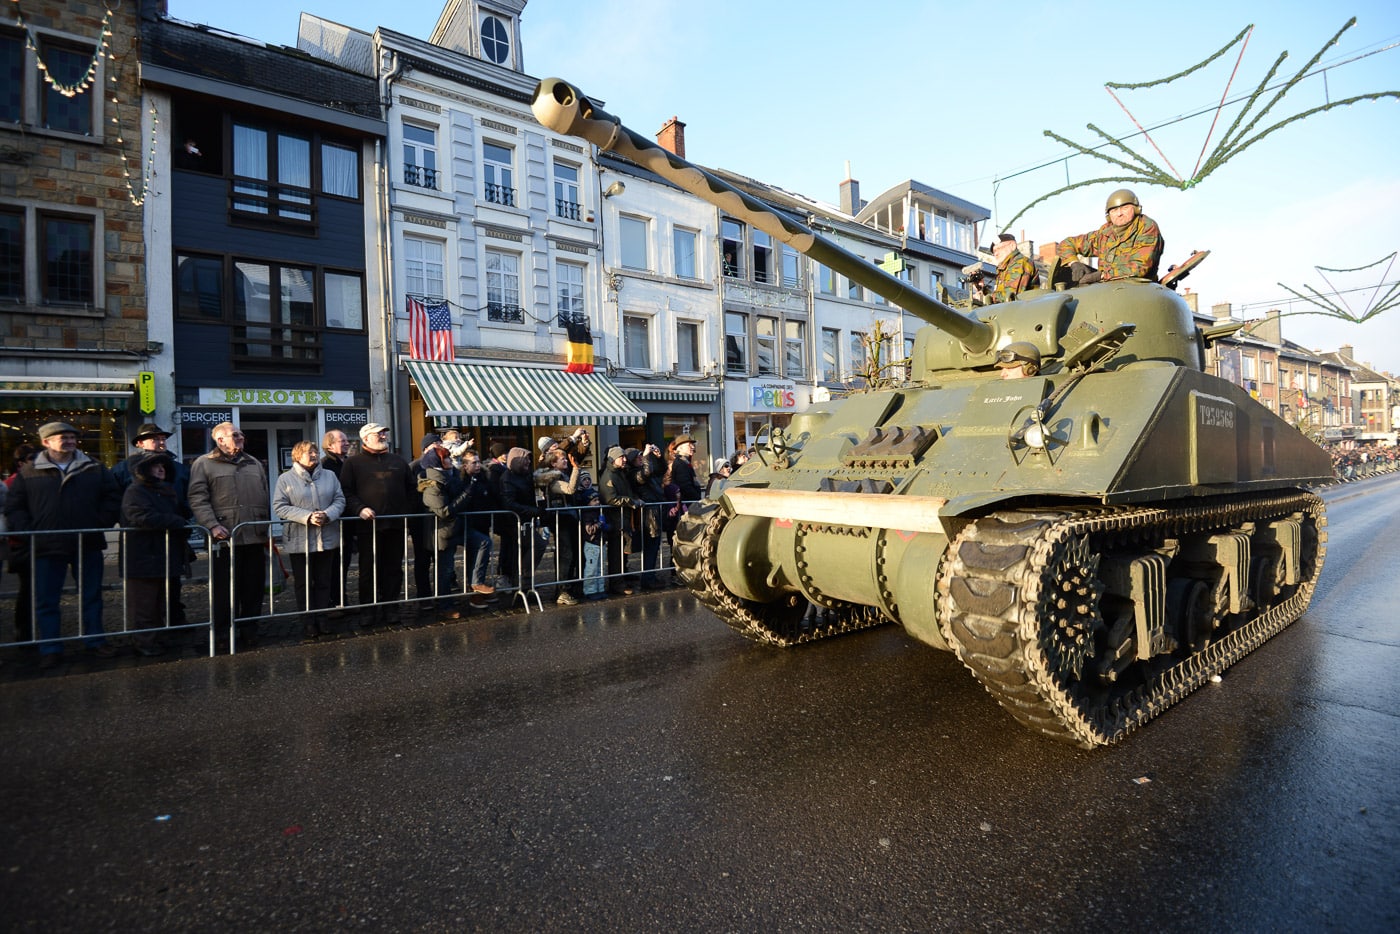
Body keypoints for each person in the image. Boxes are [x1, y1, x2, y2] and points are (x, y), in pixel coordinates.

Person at [4, 423, 121, 667]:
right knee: (47, 600)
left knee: (91, 596)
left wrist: (100, 522)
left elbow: (112, 497)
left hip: (86, 541)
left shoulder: (93, 467)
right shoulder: (29, 471)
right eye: (62, 437)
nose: (69, 441)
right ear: (46, 442)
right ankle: (51, 647)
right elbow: (15, 506)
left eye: (72, 437)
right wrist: (29, 532)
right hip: (46, 545)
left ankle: (95, 640)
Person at [188, 421, 269, 648]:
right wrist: (212, 525)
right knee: (224, 590)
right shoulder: (204, 464)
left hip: (254, 535)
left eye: (241, 434)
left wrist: (265, 527)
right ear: (220, 439)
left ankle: (250, 629)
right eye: (235, 434)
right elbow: (197, 498)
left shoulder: (253, 463)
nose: (241, 437)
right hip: (224, 538)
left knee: (253, 588)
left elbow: (263, 495)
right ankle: (223, 632)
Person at [112, 422, 191, 629]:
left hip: (172, 536)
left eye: (163, 438)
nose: (161, 441)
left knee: (172, 585)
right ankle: (147, 633)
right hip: (141, 540)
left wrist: (183, 518)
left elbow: (188, 496)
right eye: (155, 438)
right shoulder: (124, 469)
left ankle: (174, 622)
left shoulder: (178, 468)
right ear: (140, 443)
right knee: (145, 592)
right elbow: (114, 499)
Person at [340, 423, 416, 622]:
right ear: (365, 438)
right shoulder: (353, 463)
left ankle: (391, 607)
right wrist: (359, 509)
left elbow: (411, 490)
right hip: (368, 527)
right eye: (378, 433)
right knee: (368, 570)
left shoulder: (399, 461)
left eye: (384, 433)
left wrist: (404, 511)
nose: (383, 436)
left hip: (395, 525)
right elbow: (346, 492)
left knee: (393, 569)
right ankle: (368, 610)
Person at [273, 440, 346, 638]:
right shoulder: (285, 479)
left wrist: (328, 514)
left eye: (315, 451)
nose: (313, 455)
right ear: (297, 456)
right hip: (300, 539)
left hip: (327, 536)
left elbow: (340, 499)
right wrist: (307, 516)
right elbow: (279, 506)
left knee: (324, 581)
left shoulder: (329, 476)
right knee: (304, 583)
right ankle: (308, 621)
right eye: (308, 452)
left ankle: (322, 618)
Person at [120, 451, 188, 656]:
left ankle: (159, 637)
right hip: (143, 554)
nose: (161, 469)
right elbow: (141, 516)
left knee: (161, 601)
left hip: (163, 553)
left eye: (163, 466)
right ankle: (144, 641)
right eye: (154, 466)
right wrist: (176, 522)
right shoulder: (136, 491)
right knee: (144, 603)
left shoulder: (164, 490)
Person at [1056, 188, 1164, 285]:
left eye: (1125, 208)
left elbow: (1139, 268)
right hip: (1108, 290)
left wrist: (1100, 276)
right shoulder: (1104, 233)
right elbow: (1067, 244)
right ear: (1109, 216)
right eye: (1114, 210)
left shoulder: (1146, 227)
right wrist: (1074, 263)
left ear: (1136, 209)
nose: (1119, 214)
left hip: (1140, 289)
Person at [416, 437, 464, 618]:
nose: (451, 461)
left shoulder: (450, 476)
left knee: (447, 567)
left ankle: (448, 598)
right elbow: (444, 510)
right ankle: (439, 602)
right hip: (436, 529)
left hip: (447, 530)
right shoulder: (430, 479)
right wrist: (466, 494)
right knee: (440, 568)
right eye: (447, 458)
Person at [536, 445, 582, 605]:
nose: (566, 461)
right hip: (560, 519)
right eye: (563, 459)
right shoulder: (553, 478)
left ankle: (565, 588)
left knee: (571, 554)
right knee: (565, 555)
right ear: (553, 463)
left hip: (568, 518)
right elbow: (570, 490)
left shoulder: (562, 474)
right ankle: (562, 590)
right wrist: (576, 469)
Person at [455, 450, 498, 609]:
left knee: (482, 558)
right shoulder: (461, 481)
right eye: (474, 462)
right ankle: (474, 591)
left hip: (483, 522)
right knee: (474, 557)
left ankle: (477, 589)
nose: (478, 465)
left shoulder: (484, 477)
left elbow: (491, 497)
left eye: (479, 461)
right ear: (465, 465)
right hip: (468, 524)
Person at [5, 444, 37, 646]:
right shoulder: (13, 482)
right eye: (33, 458)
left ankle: (28, 631)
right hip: (23, 544)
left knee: (32, 589)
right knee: (28, 590)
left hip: (29, 541)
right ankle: (24, 632)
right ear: (21, 462)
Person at [496, 446, 541, 589]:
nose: (528, 461)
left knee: (528, 549)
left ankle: (523, 582)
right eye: (526, 458)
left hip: (526, 520)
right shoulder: (507, 477)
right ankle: (522, 580)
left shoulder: (525, 475)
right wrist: (533, 511)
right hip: (514, 522)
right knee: (534, 546)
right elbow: (509, 503)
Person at [319, 428, 355, 608]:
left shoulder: (349, 462)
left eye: (347, 440)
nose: (347, 443)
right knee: (333, 566)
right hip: (333, 521)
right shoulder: (324, 465)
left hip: (348, 522)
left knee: (344, 564)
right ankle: (333, 602)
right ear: (330, 445)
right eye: (342, 440)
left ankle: (341, 599)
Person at [598, 445, 638, 596]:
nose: (624, 459)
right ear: (613, 459)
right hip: (615, 519)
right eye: (621, 457)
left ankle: (622, 577)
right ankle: (616, 583)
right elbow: (610, 498)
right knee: (616, 553)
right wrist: (630, 501)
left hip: (623, 518)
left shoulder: (620, 473)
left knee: (623, 551)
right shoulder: (609, 476)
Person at [990, 233, 1040, 303]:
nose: (996, 254)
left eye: (999, 248)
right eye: (994, 251)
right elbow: (1000, 295)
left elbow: (1011, 297)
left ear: (1012, 246)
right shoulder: (1004, 268)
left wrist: (987, 297)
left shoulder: (1020, 262)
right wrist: (983, 290)